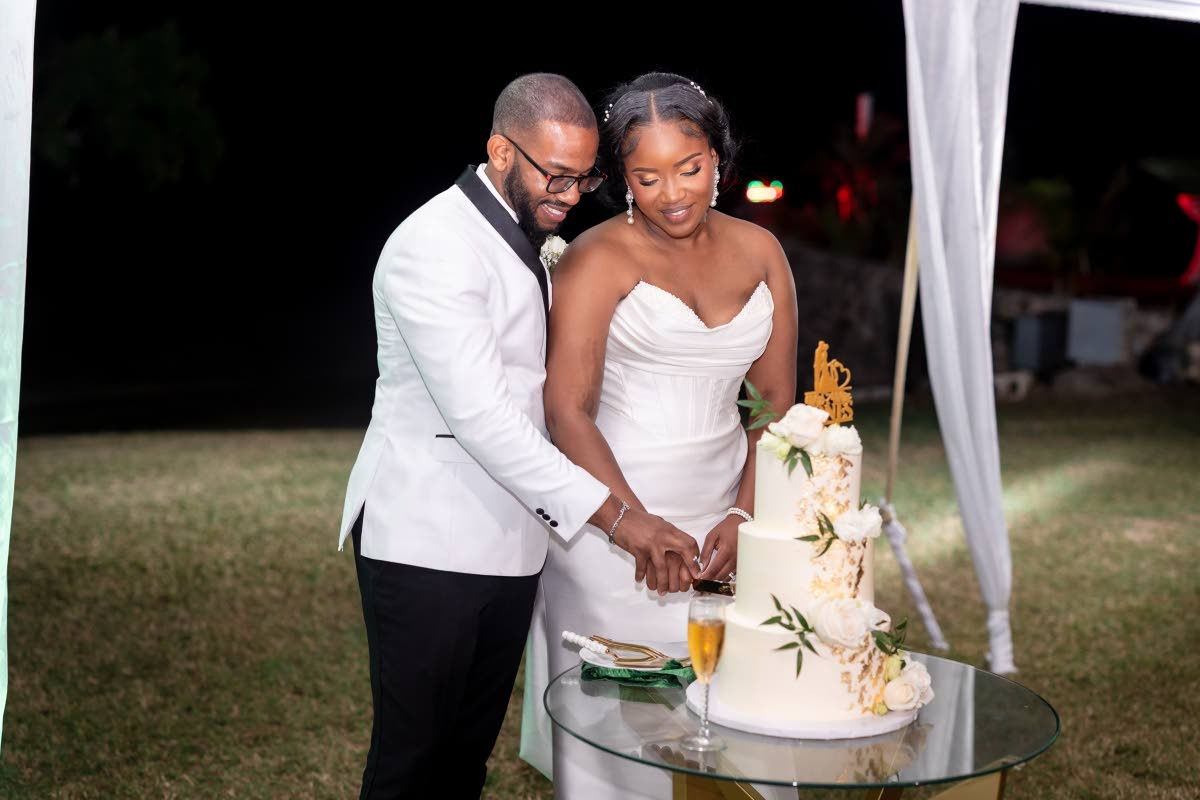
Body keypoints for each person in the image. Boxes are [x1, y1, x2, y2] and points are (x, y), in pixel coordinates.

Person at [337, 72, 699, 799]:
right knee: (412, 766)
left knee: (464, 759)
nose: (568, 195)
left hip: (512, 547)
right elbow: (485, 420)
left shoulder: (523, 235)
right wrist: (621, 520)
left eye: (583, 177)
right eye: (554, 175)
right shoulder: (434, 245)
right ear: (501, 150)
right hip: (427, 545)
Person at [521, 72, 798, 799]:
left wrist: (746, 511)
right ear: (620, 179)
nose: (673, 193)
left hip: (727, 524)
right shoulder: (596, 258)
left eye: (690, 169)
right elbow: (567, 410)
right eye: (646, 177)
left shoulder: (763, 254)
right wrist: (629, 524)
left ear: (719, 159)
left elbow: (771, 402)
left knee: (740, 722)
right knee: (623, 737)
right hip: (613, 523)